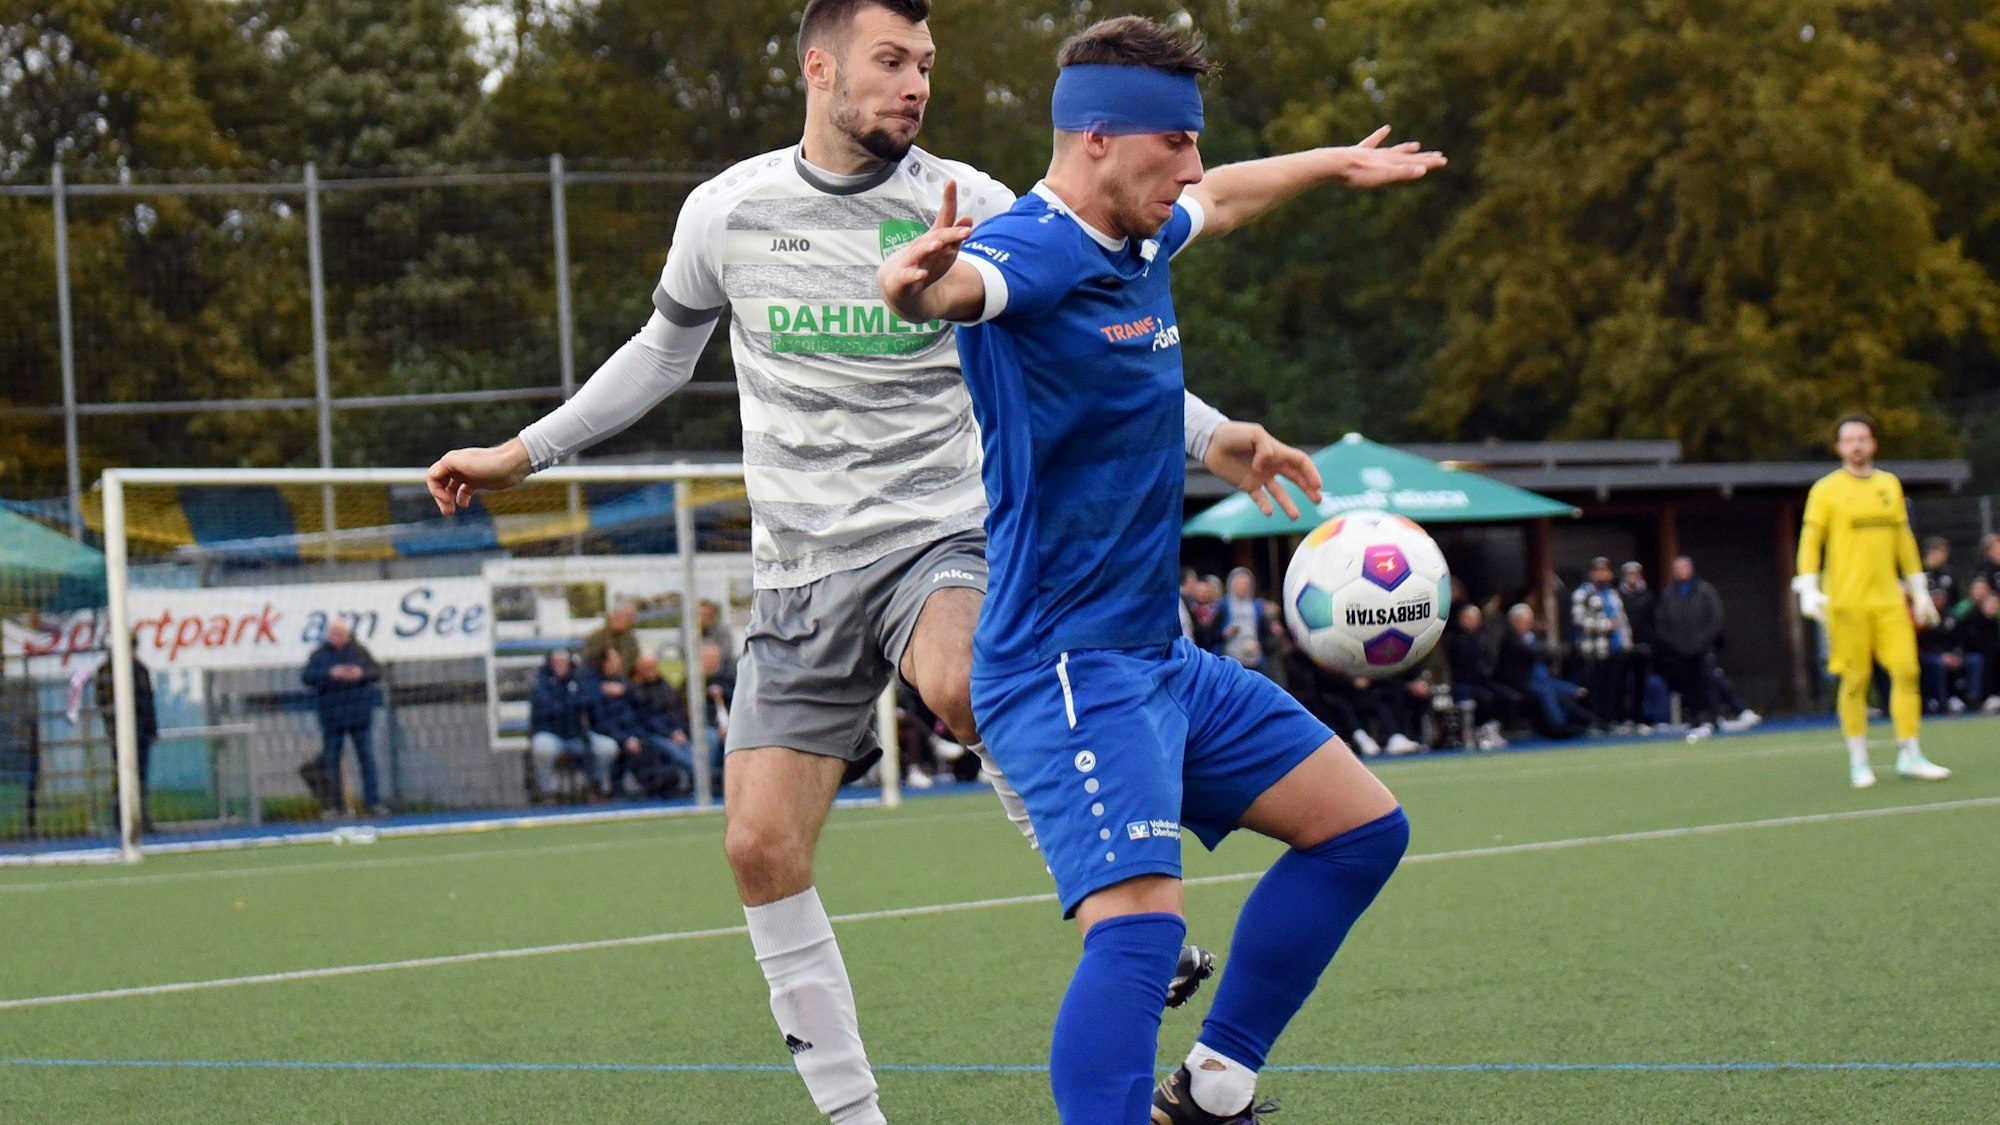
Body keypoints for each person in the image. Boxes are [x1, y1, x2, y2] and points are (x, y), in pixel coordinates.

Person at [422, 3, 1247, 1118]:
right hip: (799, 571)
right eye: (890, 62)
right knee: (759, 847)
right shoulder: (726, 210)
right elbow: (660, 355)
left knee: (958, 677)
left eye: (925, 66)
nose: (913, 85)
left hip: (942, 531)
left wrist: (1212, 436)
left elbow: (1106, 350)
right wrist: (523, 453)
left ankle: (1127, 919)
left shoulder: (972, 208)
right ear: (820, 68)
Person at [879, 15, 1441, 1121]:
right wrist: (907, 283)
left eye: (1192, 143)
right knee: (1138, 932)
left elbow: (1225, 198)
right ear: (1094, 138)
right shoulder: (1027, 251)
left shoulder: (1137, 235)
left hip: (1154, 661)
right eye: (1170, 145)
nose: (1188, 168)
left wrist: (1333, 162)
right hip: (1061, 666)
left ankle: (1216, 1086)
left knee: (1363, 830)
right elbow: (945, 295)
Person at [1793, 412, 1951, 788]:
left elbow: (1903, 540)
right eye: (1849, 440)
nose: (1857, 445)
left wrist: (1917, 587)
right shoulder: (1826, 490)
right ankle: (1859, 760)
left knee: (1907, 671)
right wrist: (1809, 586)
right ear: (1839, 447)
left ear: (1874, 443)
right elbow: (1811, 541)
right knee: (1855, 680)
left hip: (1889, 601)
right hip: (1846, 602)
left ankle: (1910, 752)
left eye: (1863, 438)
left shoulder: (1889, 485)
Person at [301, 619, 385, 816]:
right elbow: (307, 676)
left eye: (340, 633)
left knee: (367, 759)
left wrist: (360, 674)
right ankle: (336, 806)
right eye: (333, 634)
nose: (336, 638)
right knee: (332, 763)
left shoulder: (359, 652)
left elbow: (376, 672)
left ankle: (372, 803)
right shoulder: (320, 655)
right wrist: (330, 674)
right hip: (332, 718)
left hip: (359, 716)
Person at [1497, 603, 1596, 738]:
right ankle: (1560, 726)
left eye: (1528, 621)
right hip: (1522, 682)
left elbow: (1549, 654)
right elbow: (1532, 653)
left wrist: (1543, 651)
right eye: (1523, 621)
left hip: (1542, 680)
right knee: (1546, 690)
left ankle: (1587, 722)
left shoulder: (1534, 637)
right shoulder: (1510, 638)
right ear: (1514, 622)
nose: (1526, 625)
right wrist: (1542, 651)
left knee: (1573, 691)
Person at [528, 647, 613, 797]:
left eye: (564, 662)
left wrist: (569, 705)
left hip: (578, 735)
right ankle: (548, 789)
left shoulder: (579, 681)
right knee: (542, 746)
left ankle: (598, 784)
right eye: (557, 662)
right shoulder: (541, 685)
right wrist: (571, 704)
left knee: (608, 748)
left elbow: (591, 702)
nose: (560, 665)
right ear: (550, 663)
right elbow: (545, 711)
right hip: (552, 734)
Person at [1654, 554, 1723, 733]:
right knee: (1687, 685)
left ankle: (1713, 717)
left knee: (1708, 682)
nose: (1681, 572)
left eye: (1684, 568)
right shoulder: (1668, 594)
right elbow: (1662, 624)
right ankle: (1694, 717)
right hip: (1679, 651)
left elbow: (1715, 618)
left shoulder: (1705, 591)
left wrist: (1702, 641)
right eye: (1678, 568)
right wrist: (1675, 644)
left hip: (1703, 648)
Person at [1569, 557, 1631, 727]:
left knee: (1614, 687)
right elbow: (1579, 620)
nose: (1602, 574)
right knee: (1596, 688)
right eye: (1598, 570)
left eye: (1605, 570)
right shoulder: (1583, 593)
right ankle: (1596, 722)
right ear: (1591, 573)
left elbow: (1622, 620)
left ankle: (1613, 720)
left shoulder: (1612, 594)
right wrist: (1605, 626)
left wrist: (1627, 641)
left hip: (1615, 648)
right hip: (1594, 649)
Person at [1616, 561, 1660, 729]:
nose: (1632, 578)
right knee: (1622, 684)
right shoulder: (1618, 597)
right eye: (1629, 574)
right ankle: (1624, 718)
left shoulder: (1649, 596)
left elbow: (1654, 623)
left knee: (1641, 684)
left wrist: (1650, 644)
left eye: (1635, 574)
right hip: (1624, 647)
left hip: (1643, 648)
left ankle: (1640, 718)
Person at [1212, 567, 1268, 672]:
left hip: (1253, 659)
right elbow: (1211, 633)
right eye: (1239, 584)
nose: (1242, 588)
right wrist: (1225, 634)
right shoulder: (1224, 605)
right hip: (1230, 659)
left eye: (1246, 585)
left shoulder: (1256, 606)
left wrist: (1259, 645)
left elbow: (1264, 632)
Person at [583, 602, 640, 678]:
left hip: (622, 681)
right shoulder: (595, 637)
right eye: (621, 615)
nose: (624, 619)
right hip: (597, 680)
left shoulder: (631, 641)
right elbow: (588, 664)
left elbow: (630, 666)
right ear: (613, 616)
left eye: (629, 617)